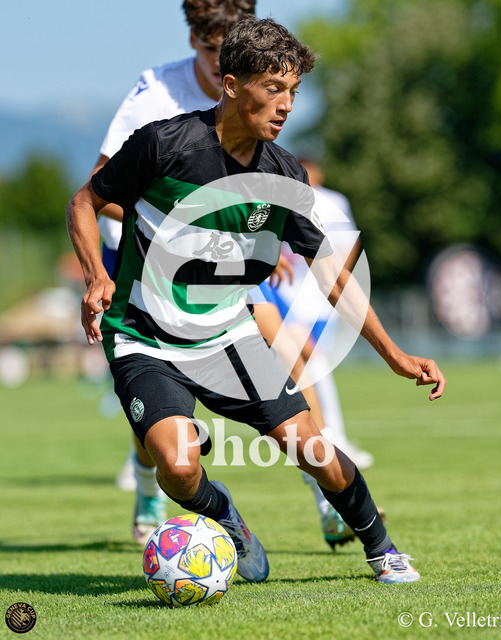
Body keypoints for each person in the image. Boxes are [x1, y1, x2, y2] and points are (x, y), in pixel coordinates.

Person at [67, 16, 446, 584]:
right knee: (177, 465)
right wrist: (96, 274)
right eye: (273, 88)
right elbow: (83, 201)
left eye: (293, 90)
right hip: (144, 336)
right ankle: (225, 515)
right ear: (231, 85)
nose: (286, 104)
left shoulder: (285, 175)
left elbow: (333, 276)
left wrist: (395, 354)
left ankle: (382, 549)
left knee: (312, 448)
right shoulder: (164, 144)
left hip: (228, 335)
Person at [91, 0, 257, 545]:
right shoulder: (154, 96)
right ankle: (149, 484)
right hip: (140, 263)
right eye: (213, 50)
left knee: (291, 352)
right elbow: (99, 190)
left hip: (219, 261)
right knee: (155, 394)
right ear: (193, 41)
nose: (223, 63)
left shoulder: (258, 91)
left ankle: (327, 495)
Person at [253, 157, 378, 550]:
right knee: (172, 437)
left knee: (301, 365)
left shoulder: (312, 196)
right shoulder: (178, 151)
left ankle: (330, 501)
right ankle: (145, 479)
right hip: (185, 298)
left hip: (274, 295)